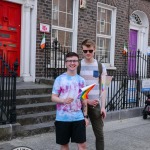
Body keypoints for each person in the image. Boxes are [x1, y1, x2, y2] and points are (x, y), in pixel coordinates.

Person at [51, 52, 89, 150]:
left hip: (78, 117)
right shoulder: (59, 79)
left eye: (75, 61)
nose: (72, 63)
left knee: (82, 145)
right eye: (70, 61)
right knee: (64, 145)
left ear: (78, 63)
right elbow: (53, 97)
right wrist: (63, 100)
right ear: (65, 63)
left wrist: (85, 116)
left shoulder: (82, 80)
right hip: (62, 118)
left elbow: (84, 100)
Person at [78, 39, 107, 150]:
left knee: (100, 135)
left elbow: (103, 88)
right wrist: (86, 100)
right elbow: (76, 88)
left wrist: (103, 106)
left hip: (95, 105)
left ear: (94, 49)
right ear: (82, 50)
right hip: (81, 105)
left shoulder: (101, 66)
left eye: (90, 50)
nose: (88, 53)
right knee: (80, 137)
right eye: (85, 51)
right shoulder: (78, 66)